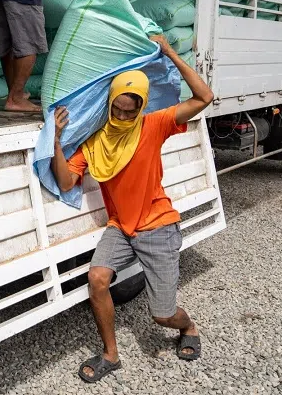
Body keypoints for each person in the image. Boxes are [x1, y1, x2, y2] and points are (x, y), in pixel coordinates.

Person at [49, 35, 215, 383]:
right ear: (108, 105)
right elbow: (66, 182)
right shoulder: (97, 141)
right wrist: (56, 141)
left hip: (158, 225)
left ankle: (189, 326)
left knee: (163, 315)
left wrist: (169, 52)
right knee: (97, 279)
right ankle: (111, 354)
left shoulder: (152, 126)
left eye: (130, 109)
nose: (123, 116)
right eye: (117, 109)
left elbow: (205, 97)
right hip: (121, 227)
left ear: (141, 106)